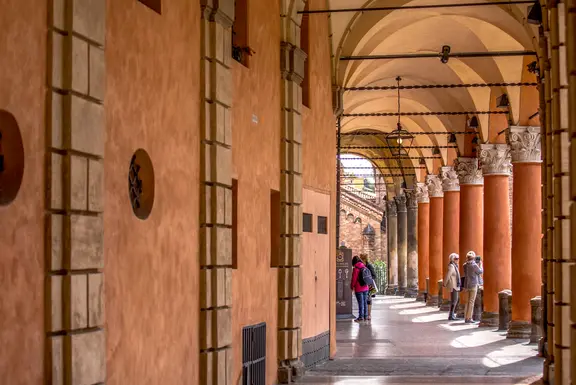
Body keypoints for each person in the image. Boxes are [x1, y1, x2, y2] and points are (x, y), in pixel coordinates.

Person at [463, 251, 483, 324]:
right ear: (473, 258)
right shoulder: (474, 265)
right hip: (473, 284)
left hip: (467, 285)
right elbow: (480, 272)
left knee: (467, 302)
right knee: (471, 302)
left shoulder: (465, 265)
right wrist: (480, 264)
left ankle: (466, 317)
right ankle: (469, 318)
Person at [350, 255, 370, 323]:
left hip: (359, 288)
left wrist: (351, 287)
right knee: (365, 302)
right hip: (365, 287)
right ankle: (365, 316)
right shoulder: (364, 266)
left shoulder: (356, 268)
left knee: (360, 303)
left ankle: (360, 317)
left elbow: (354, 279)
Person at [443, 253, 461, 321]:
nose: (457, 260)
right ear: (452, 259)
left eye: (458, 258)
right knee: (454, 300)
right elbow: (448, 275)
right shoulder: (451, 266)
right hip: (453, 285)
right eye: (456, 259)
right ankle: (451, 315)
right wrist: (444, 283)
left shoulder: (455, 266)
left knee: (455, 300)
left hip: (456, 285)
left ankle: (452, 314)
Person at [360, 254, 378, 321]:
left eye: (361, 258)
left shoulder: (369, 266)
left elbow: (374, 276)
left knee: (368, 300)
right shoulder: (361, 266)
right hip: (363, 285)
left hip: (369, 286)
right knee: (365, 300)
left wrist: (367, 279)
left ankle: (369, 315)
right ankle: (366, 314)